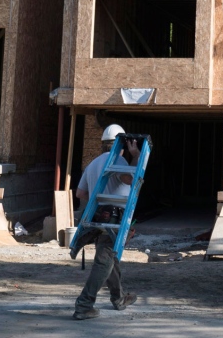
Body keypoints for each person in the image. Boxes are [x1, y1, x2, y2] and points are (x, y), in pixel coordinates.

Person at [72, 124, 139, 320]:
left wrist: (99, 194)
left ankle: (118, 298)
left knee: (110, 257)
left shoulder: (93, 163)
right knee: (104, 261)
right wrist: (134, 156)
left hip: (96, 217)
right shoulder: (118, 160)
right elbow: (129, 179)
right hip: (114, 219)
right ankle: (84, 305)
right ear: (121, 144)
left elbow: (81, 193)